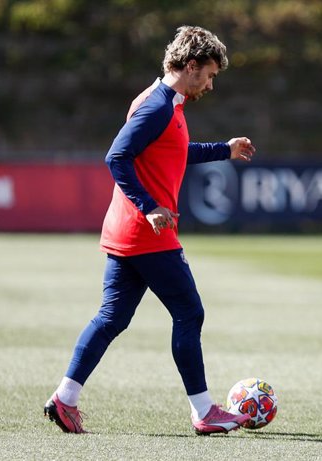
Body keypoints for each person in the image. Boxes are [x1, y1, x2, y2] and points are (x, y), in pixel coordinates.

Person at [44, 25, 256, 435]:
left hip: (127, 231)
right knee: (189, 312)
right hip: (147, 233)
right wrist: (149, 207)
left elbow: (174, 152)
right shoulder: (157, 106)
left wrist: (223, 150)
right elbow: (116, 156)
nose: (211, 84)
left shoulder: (166, 102)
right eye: (209, 74)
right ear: (190, 66)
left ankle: (65, 398)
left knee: (112, 318)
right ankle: (204, 411)